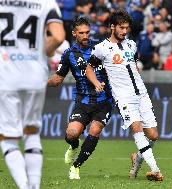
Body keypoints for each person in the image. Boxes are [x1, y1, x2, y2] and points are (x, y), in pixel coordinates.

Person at [86, 10, 164, 181]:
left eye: (127, 28)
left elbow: (134, 64)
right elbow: (89, 69)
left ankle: (137, 157)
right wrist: (96, 83)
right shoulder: (101, 48)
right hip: (123, 96)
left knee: (153, 135)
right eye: (121, 28)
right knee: (136, 128)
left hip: (141, 93)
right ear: (112, 27)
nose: (124, 31)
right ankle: (155, 170)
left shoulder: (131, 44)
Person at [0, 1, 65, 189]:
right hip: (35, 75)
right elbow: (59, 36)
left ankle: (24, 186)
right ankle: (34, 186)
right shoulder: (46, 2)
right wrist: (45, 52)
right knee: (31, 132)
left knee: (8, 138)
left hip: (6, 75)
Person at [47, 16, 113, 180]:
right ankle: (73, 146)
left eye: (87, 32)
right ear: (74, 34)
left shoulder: (100, 47)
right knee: (72, 133)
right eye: (81, 33)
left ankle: (76, 166)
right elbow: (58, 79)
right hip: (82, 102)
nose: (85, 36)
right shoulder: (69, 54)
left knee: (95, 130)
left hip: (104, 101)